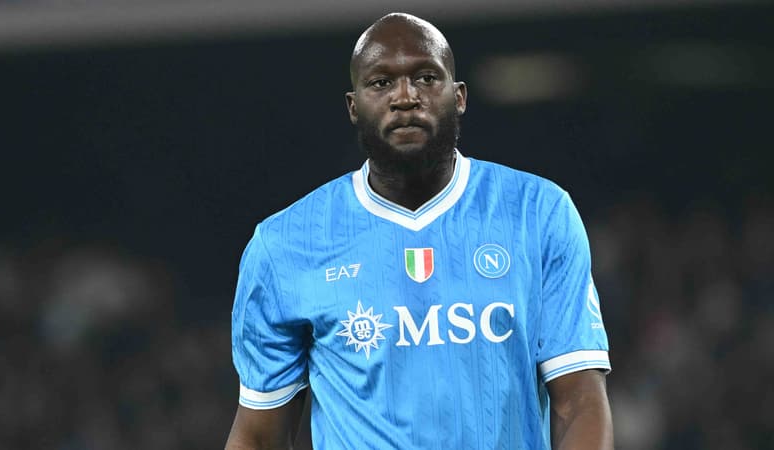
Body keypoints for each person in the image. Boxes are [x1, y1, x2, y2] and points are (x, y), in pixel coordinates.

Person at [226, 12, 613, 450]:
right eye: (381, 83)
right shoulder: (285, 245)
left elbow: (580, 401)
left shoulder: (538, 213)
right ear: (354, 107)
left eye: (426, 78)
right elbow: (258, 436)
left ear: (459, 96)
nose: (405, 97)